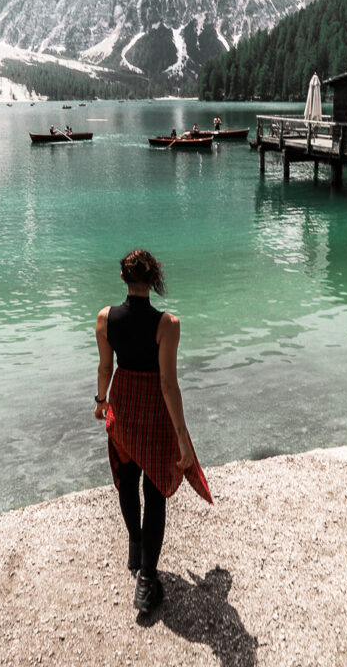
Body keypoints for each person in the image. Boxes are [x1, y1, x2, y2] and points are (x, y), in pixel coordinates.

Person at [95, 249, 212, 613]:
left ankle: (136, 547)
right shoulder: (168, 324)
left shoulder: (105, 318)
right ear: (154, 278)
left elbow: (105, 368)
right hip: (154, 411)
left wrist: (101, 402)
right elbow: (168, 384)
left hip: (124, 407)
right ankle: (146, 579)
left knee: (127, 482)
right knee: (154, 490)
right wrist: (182, 437)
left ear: (123, 279)